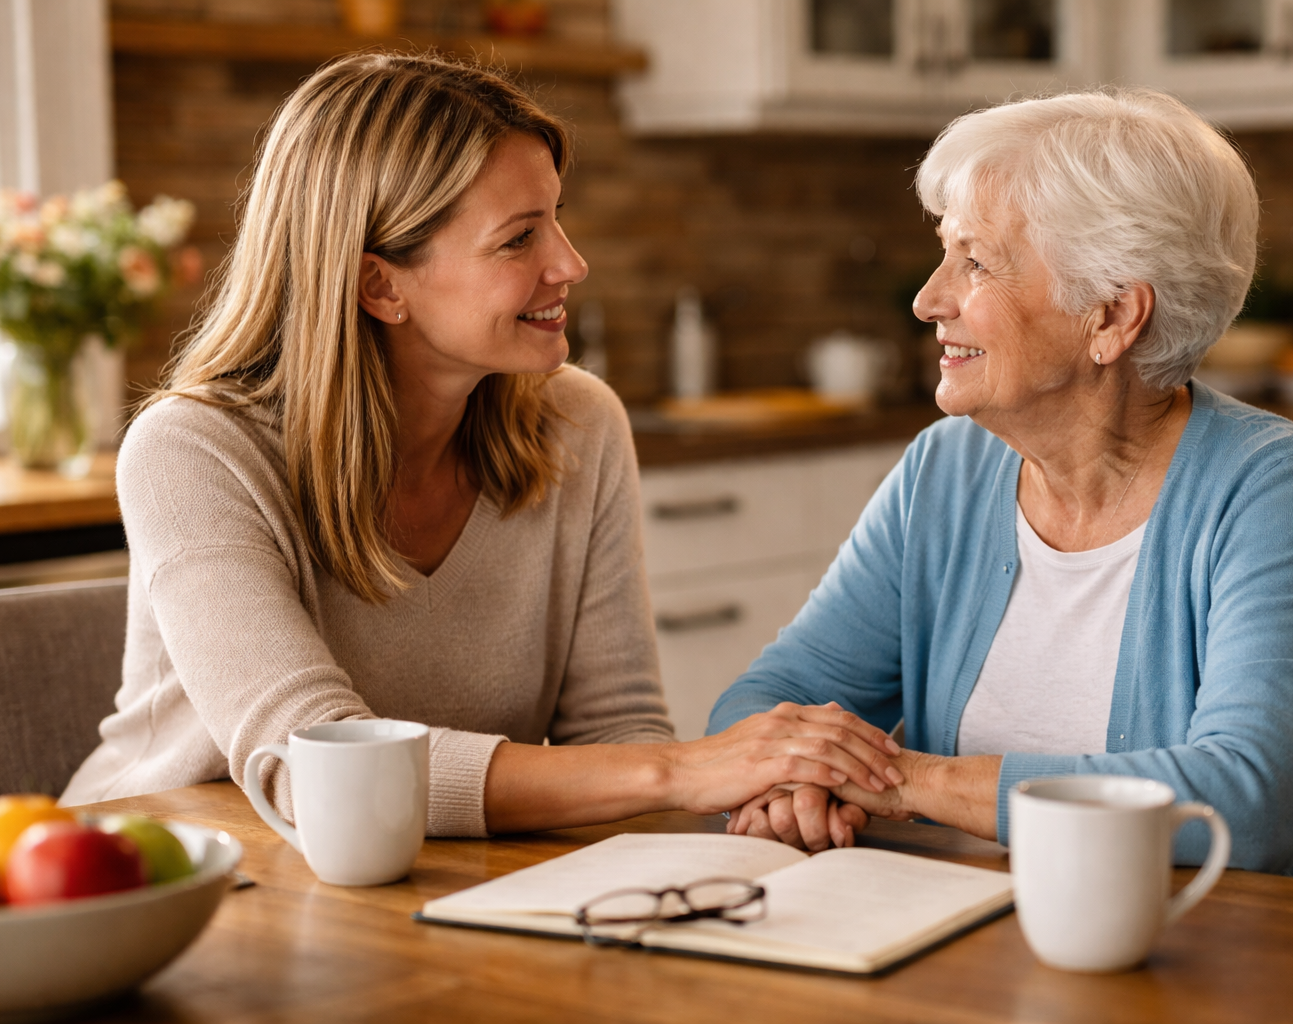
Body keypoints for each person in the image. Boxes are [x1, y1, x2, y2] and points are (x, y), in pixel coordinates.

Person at [61, 53, 903, 834]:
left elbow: (614, 733)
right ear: (378, 284)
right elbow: (318, 767)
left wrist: (741, 797)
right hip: (179, 886)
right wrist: (685, 772)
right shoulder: (194, 452)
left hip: (431, 875)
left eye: (557, 223)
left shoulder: (579, 424)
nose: (570, 264)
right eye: (517, 239)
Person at [710, 88, 1293, 892]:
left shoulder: (1267, 484)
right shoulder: (943, 472)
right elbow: (768, 699)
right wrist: (790, 777)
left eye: (974, 261)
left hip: (1287, 948)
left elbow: (1249, 804)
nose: (927, 300)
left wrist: (898, 780)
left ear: (1112, 316)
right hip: (1003, 937)